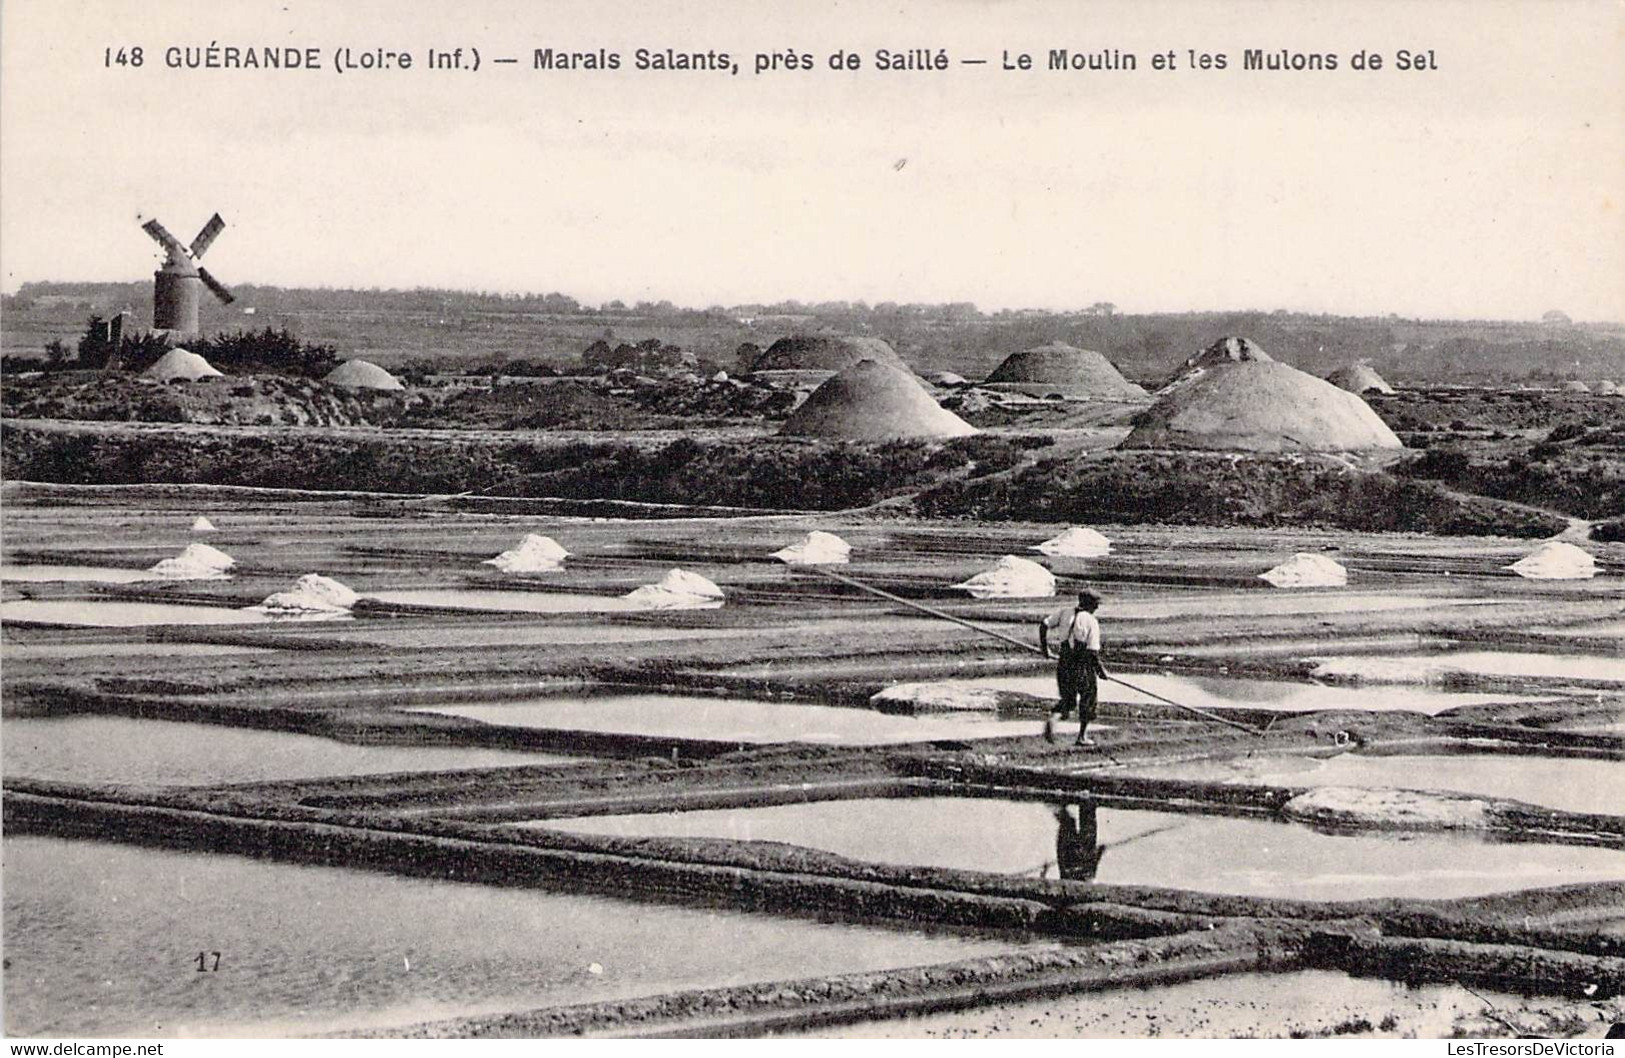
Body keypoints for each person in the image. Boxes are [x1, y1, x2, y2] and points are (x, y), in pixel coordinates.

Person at [1037, 588, 1109, 747]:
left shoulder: (1065, 612)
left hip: (1064, 663)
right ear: (1090, 604)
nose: (1097, 607)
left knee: (1068, 701)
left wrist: (1045, 648)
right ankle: (1082, 737)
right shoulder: (1091, 621)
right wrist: (1101, 672)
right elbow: (1092, 653)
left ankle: (1053, 719)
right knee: (1088, 699)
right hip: (1082, 665)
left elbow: (1044, 625)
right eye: (1096, 604)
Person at [1052, 801, 1106, 881]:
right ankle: (1087, 802)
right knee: (1086, 823)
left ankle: (1057, 805)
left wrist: (1099, 852)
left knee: (1069, 823)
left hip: (1071, 862)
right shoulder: (1087, 877)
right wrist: (1099, 852)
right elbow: (1092, 868)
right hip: (1082, 858)